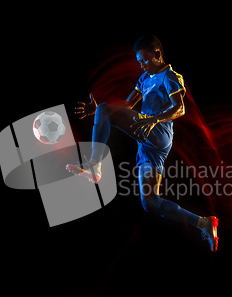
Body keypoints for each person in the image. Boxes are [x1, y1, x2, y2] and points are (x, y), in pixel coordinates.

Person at [67, 34, 218, 252]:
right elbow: (128, 104)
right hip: (147, 145)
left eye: (145, 60)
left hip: (158, 132)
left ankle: (94, 165)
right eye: (139, 61)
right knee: (150, 202)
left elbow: (180, 108)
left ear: (158, 55)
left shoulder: (170, 76)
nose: (142, 65)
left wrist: (152, 119)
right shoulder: (144, 79)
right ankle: (203, 222)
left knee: (105, 110)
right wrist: (98, 112)